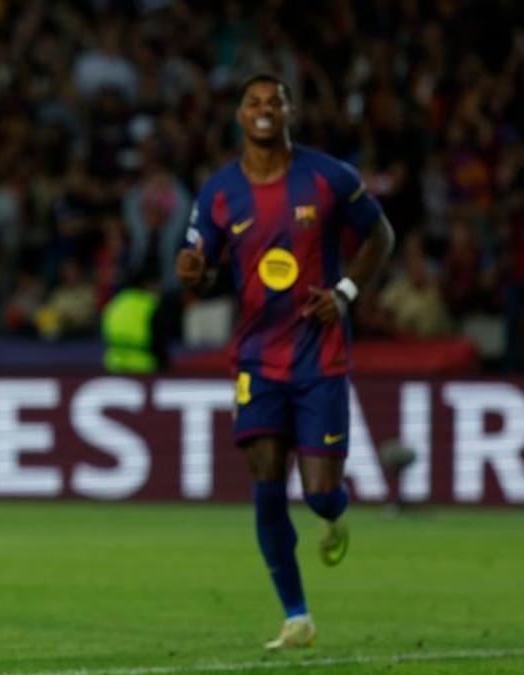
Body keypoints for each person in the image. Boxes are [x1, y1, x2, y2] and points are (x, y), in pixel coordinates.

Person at [176, 73, 394, 651]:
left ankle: (334, 513)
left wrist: (345, 293)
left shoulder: (328, 177)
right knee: (267, 486)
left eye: (275, 102)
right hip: (255, 358)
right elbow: (205, 264)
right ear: (240, 116)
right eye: (254, 102)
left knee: (319, 491)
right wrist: (195, 274)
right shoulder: (219, 191)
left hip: (318, 355)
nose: (265, 110)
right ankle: (297, 615)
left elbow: (382, 236)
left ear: (290, 111)